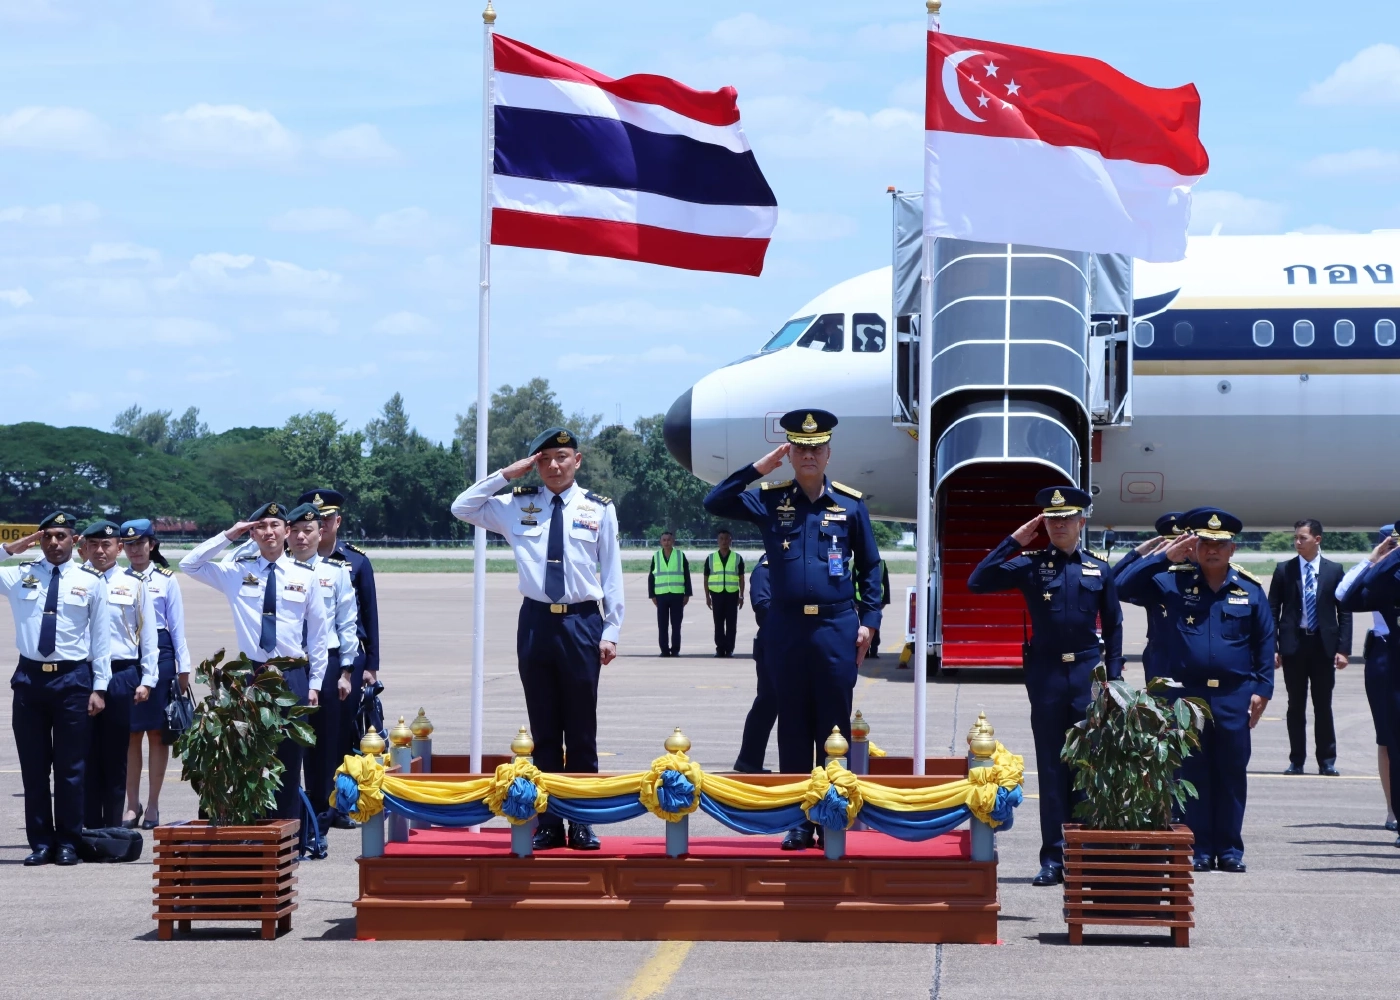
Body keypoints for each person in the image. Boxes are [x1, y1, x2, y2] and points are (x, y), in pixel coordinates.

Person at [703, 409, 882, 851]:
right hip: (785, 627)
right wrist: (761, 467)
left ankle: (833, 813)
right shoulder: (769, 499)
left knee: (834, 724)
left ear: (828, 454)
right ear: (790, 453)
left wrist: (870, 622)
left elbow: (872, 568)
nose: (808, 455)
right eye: (799, 448)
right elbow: (715, 501)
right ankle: (800, 820)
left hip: (836, 625)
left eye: (815, 448)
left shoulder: (849, 504)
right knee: (793, 726)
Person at [450, 427, 624, 852]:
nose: (553, 465)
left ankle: (581, 821)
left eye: (562, 457)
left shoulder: (598, 508)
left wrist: (611, 629)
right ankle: (549, 822)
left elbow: (612, 572)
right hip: (536, 623)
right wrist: (506, 475)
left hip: (582, 621)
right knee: (544, 729)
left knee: (581, 730)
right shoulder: (517, 504)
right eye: (544, 459)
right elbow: (462, 507)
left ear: (577, 461)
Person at [967, 486, 1123, 886]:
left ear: (1081, 522)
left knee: (1087, 769)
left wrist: (1116, 677)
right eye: (1051, 520)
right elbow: (977, 581)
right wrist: (1015, 540)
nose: (1058, 526)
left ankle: (1086, 855)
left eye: (1066, 519)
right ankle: (1053, 858)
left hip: (1088, 676)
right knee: (1053, 770)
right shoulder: (1031, 564)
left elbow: (1115, 623)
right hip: (1048, 677)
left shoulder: (1099, 569)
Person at [1116, 507, 1274, 873]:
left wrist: (1263, 687)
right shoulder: (1172, 582)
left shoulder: (1248, 589)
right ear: (1194, 546)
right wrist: (1163, 558)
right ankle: (1198, 847)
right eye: (1205, 542)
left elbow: (1264, 642)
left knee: (1232, 773)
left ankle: (1230, 849)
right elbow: (1121, 586)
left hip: (1235, 695)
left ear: (1232, 548)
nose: (1212, 550)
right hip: (1187, 697)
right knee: (1190, 773)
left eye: (1219, 544)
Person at [180, 502, 330, 820]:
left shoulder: (305, 577)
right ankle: (257, 834)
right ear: (253, 533)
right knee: (252, 758)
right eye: (260, 526)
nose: (268, 532)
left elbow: (318, 636)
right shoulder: (238, 573)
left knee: (290, 760)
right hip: (252, 678)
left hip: (292, 676)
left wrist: (315, 683)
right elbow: (189, 564)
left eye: (275, 525)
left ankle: (288, 838)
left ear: (287, 531)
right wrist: (229, 535)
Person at [1, 512, 110, 866]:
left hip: (73, 681)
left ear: (73, 540)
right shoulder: (19, 575)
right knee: (33, 769)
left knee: (70, 768)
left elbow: (101, 639)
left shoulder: (91, 582)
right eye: (46, 536)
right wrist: (13, 548)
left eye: (61, 536)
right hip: (31, 680)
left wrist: (100, 687)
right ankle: (41, 843)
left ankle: (67, 840)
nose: (53, 543)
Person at [286, 502, 358, 845]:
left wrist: (346, 671)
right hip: (286, 665)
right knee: (286, 747)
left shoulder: (337, 573)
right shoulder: (275, 570)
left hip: (326, 664)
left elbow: (347, 624)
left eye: (308, 531)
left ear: (321, 533)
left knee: (324, 747)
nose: (301, 537)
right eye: (295, 530)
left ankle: (320, 824)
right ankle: (288, 820)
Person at [297, 488, 380, 778]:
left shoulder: (356, 562)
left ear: (337, 522)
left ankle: (340, 799)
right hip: (303, 655)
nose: (322, 525)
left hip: (346, 656)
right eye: (315, 520)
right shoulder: (290, 564)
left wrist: (372, 665)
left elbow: (369, 615)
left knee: (342, 731)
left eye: (327, 519)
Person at [79, 520, 156, 830]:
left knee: (115, 755)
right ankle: (83, 826)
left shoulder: (134, 584)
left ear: (118, 548)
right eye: (94, 544)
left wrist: (148, 678)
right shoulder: (75, 581)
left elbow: (148, 632)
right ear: (83, 547)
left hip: (122, 673)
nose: (100, 550)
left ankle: (110, 828)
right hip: (81, 673)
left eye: (107, 544)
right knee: (82, 754)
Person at [120, 519, 190, 830]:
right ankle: (130, 804)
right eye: (129, 544)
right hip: (126, 655)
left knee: (157, 735)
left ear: (152, 545)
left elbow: (177, 626)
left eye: (140, 543)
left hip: (161, 655)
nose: (134, 549)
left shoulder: (165, 579)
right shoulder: (116, 579)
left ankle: (152, 805)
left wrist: (183, 666)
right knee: (130, 734)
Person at [1269, 519, 1350, 776]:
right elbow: (1272, 610)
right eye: (1296, 537)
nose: (1297, 542)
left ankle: (1327, 760)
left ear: (1317, 539)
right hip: (1294, 645)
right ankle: (1297, 760)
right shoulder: (1284, 570)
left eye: (1302, 538)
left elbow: (1344, 612)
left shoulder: (1334, 570)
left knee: (1323, 705)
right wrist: (1273, 646)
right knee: (1296, 705)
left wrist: (1343, 649)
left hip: (1323, 646)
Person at [1336, 524, 1400, 846]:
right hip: (1386, 656)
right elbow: (1343, 594)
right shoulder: (1382, 579)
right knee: (1389, 739)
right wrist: (1373, 560)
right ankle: (1393, 809)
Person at [1111, 512, 1184, 682]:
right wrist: (1144, 555)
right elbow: (1116, 586)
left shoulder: (1199, 575)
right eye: (1169, 545)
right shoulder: (1153, 580)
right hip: (1160, 655)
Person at [733, 554, 774, 772]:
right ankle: (749, 760)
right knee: (767, 704)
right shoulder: (764, 570)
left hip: (786, 645)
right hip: (771, 646)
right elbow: (762, 606)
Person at [647, 531, 691, 657]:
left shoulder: (680, 555)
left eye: (669, 540)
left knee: (676, 624)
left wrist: (687, 594)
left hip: (677, 595)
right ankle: (664, 650)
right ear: (661, 542)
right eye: (664, 540)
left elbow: (687, 576)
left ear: (673, 541)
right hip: (661, 595)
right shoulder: (656, 556)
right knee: (662, 624)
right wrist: (652, 595)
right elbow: (651, 577)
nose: (667, 542)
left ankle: (675, 649)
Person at [704, 530, 745, 658]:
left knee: (732, 623)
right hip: (716, 594)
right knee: (718, 623)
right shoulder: (710, 558)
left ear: (730, 540)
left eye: (726, 539)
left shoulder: (737, 558)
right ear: (717, 541)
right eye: (721, 539)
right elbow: (706, 579)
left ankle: (729, 649)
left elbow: (741, 578)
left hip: (732, 594)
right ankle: (720, 649)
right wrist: (707, 597)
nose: (724, 541)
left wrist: (741, 595)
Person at [866, 560, 892, 658]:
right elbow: (854, 582)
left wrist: (885, 600)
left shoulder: (881, 564)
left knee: (874, 626)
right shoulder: (857, 563)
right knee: (863, 627)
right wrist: (854, 601)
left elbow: (886, 582)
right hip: (861, 601)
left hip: (876, 601)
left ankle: (873, 651)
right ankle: (865, 651)